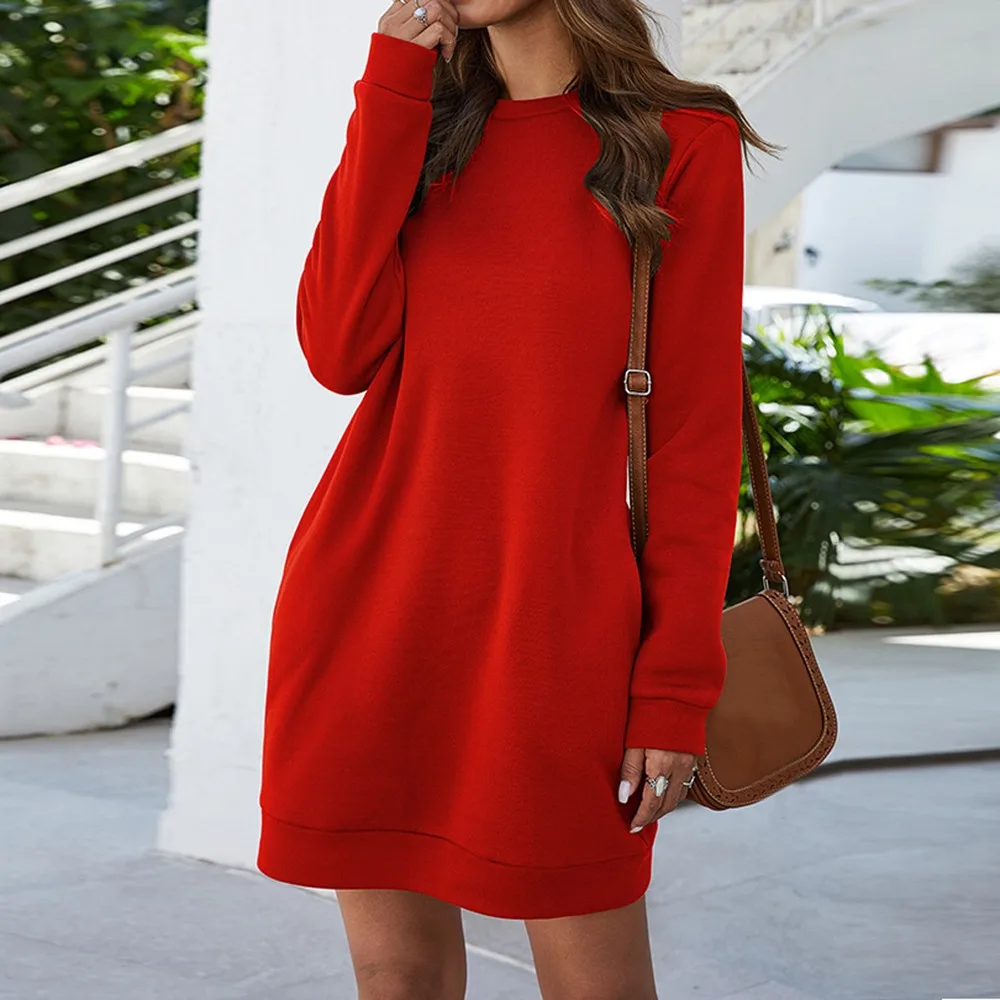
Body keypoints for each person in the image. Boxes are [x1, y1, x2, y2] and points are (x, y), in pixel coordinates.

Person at [257, 1, 772, 996]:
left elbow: (693, 442)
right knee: (396, 977)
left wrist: (673, 686)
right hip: (368, 610)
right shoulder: (419, 128)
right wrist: (390, 90)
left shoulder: (680, 141)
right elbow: (336, 350)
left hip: (554, 638)